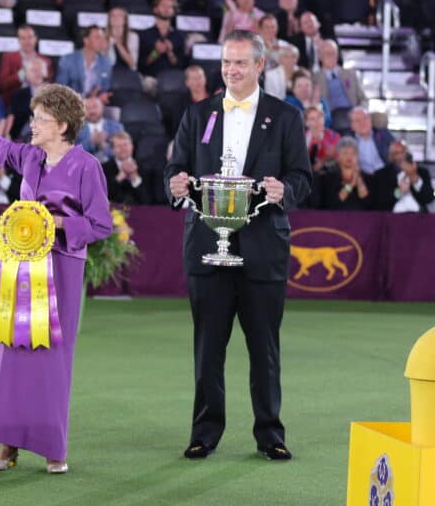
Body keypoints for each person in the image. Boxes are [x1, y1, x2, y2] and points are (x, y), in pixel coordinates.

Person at [165, 30, 311, 461]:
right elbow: (177, 169)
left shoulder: (285, 117)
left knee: (264, 349)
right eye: (226, 62)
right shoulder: (198, 114)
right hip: (207, 248)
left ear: (259, 65)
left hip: (264, 250)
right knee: (208, 349)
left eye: (240, 63)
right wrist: (174, 185)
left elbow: (303, 177)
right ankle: (204, 432)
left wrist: (285, 189)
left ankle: (271, 434)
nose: (231, 70)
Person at [0, 75, 112, 474]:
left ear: (62, 125)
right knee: (12, 349)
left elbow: (100, 225)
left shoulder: (87, 166)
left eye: (41, 119)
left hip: (61, 268)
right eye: (33, 117)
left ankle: (53, 448)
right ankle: (8, 447)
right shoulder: (28, 156)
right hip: (20, 267)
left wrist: (54, 222)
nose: (33, 124)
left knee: (52, 357)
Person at [0, 25, 52, 108]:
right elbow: (3, 85)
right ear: (18, 40)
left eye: (30, 37)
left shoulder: (46, 61)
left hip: (41, 103)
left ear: (36, 39)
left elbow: (50, 84)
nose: (27, 41)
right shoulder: (8, 58)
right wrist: (23, 74)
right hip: (14, 104)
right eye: (23, 38)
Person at [374, 140, 434, 213]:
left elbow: (429, 198)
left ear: (407, 153)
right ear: (390, 157)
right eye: (396, 153)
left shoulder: (422, 172)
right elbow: (379, 203)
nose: (400, 156)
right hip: (392, 218)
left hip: (418, 217)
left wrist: (414, 178)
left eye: (402, 152)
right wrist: (399, 191)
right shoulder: (381, 175)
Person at [56, 25, 112, 102]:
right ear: (86, 40)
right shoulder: (67, 60)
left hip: (94, 102)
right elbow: (60, 88)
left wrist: (102, 95)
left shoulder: (106, 63)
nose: (102, 41)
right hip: (72, 102)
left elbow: (105, 87)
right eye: (98, 38)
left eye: (103, 38)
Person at [317, 136, 374, 210]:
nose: (349, 156)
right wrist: (350, 185)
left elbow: (368, 203)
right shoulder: (328, 177)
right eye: (345, 153)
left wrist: (358, 179)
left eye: (353, 153)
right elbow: (333, 203)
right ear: (338, 156)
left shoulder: (368, 177)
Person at [138, 0, 185, 81]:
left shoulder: (179, 36)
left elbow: (181, 65)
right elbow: (141, 65)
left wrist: (170, 53)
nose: (167, 9)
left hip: (173, 80)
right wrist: (156, 53)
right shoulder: (145, 35)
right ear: (155, 9)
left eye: (170, 7)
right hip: (151, 79)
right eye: (163, 5)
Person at [313, 39, 367, 112]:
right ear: (320, 56)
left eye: (333, 53)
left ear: (337, 55)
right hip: (330, 114)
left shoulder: (350, 74)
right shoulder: (314, 78)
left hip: (353, 112)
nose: (330, 56)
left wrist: (361, 110)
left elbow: (363, 99)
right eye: (327, 53)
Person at [103, 131, 148, 205]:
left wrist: (135, 178)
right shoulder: (103, 168)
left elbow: (148, 200)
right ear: (112, 149)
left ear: (132, 146)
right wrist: (119, 177)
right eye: (119, 146)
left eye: (125, 145)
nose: (123, 149)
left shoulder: (144, 167)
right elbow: (103, 196)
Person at [76, 96, 123, 163]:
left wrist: (103, 145)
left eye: (95, 107)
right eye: (87, 108)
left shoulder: (116, 127)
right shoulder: (76, 130)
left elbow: (122, 152)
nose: (91, 111)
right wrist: (92, 143)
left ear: (102, 108)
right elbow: (73, 155)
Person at [349, 106, 394, 176]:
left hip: (385, 175)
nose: (362, 123)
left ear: (370, 120)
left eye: (365, 118)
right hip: (361, 178)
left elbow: (399, 154)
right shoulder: (348, 142)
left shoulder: (384, 134)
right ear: (352, 126)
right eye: (357, 120)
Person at [105, 6, 139, 71]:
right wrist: (108, 44)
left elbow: (132, 64)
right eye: (113, 15)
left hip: (128, 74)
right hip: (109, 73)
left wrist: (118, 43)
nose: (116, 18)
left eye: (119, 15)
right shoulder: (103, 36)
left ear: (125, 20)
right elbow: (101, 62)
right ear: (109, 20)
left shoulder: (133, 37)